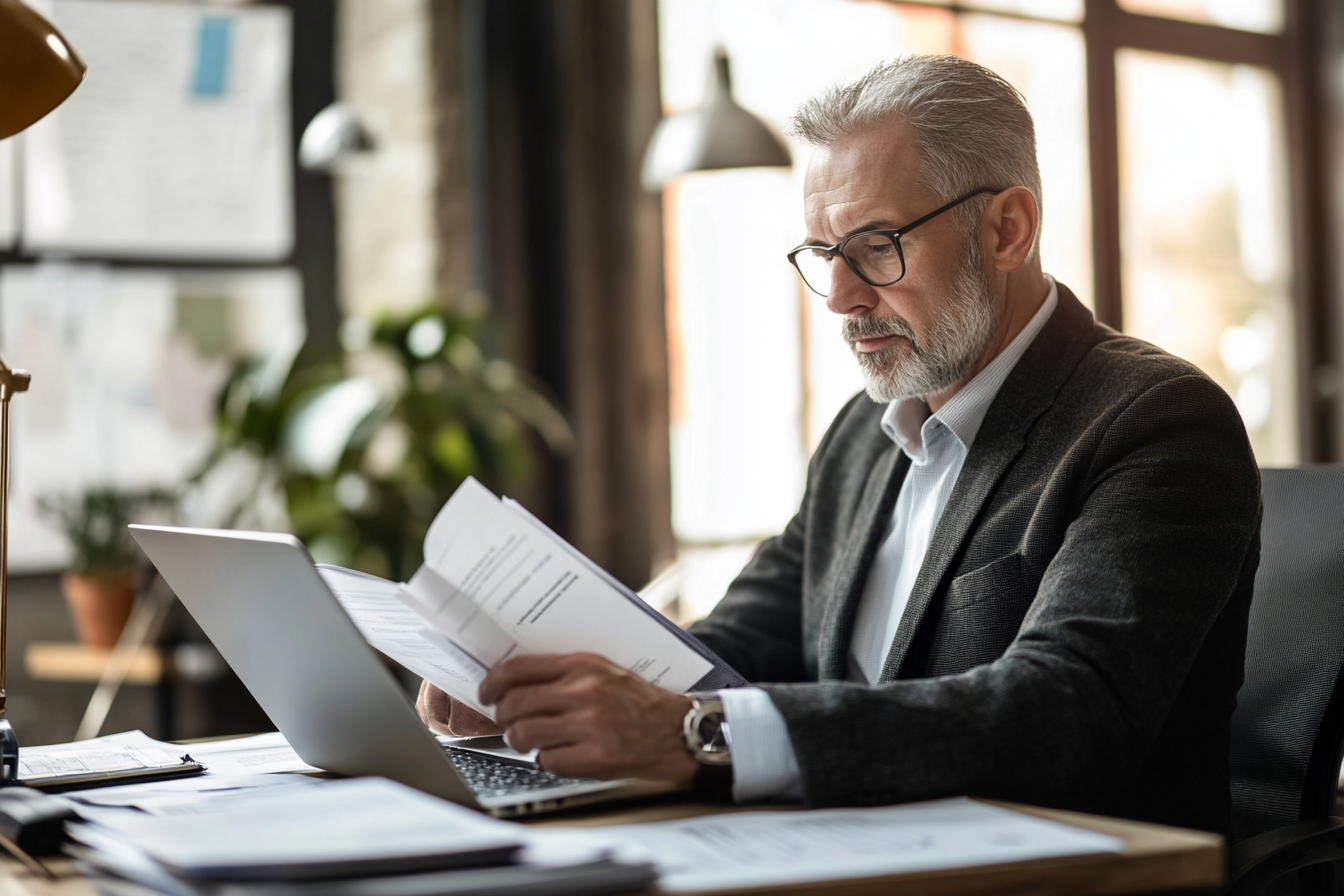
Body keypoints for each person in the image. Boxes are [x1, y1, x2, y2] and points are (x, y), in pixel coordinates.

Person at [417, 54, 1260, 837]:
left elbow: (1062, 714)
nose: (841, 297)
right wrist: (545, 688)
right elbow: (738, 646)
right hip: (850, 847)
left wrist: (693, 736)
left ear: (1008, 230)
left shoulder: (1157, 423)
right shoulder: (867, 431)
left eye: (877, 247)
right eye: (826, 254)